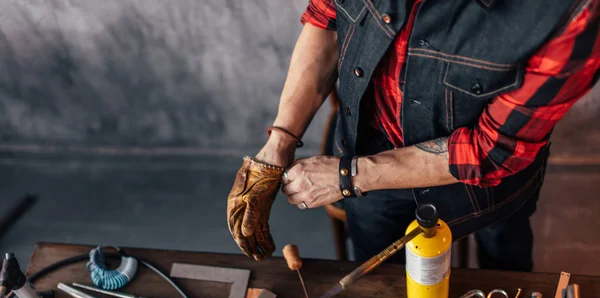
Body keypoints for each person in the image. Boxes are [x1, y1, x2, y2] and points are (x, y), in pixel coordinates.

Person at [227, 0, 599, 271]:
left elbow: (493, 149)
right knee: (377, 279)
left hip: (483, 190)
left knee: (505, 265)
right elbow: (328, 17)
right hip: (367, 162)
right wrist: (280, 141)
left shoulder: (573, 15)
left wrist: (346, 176)